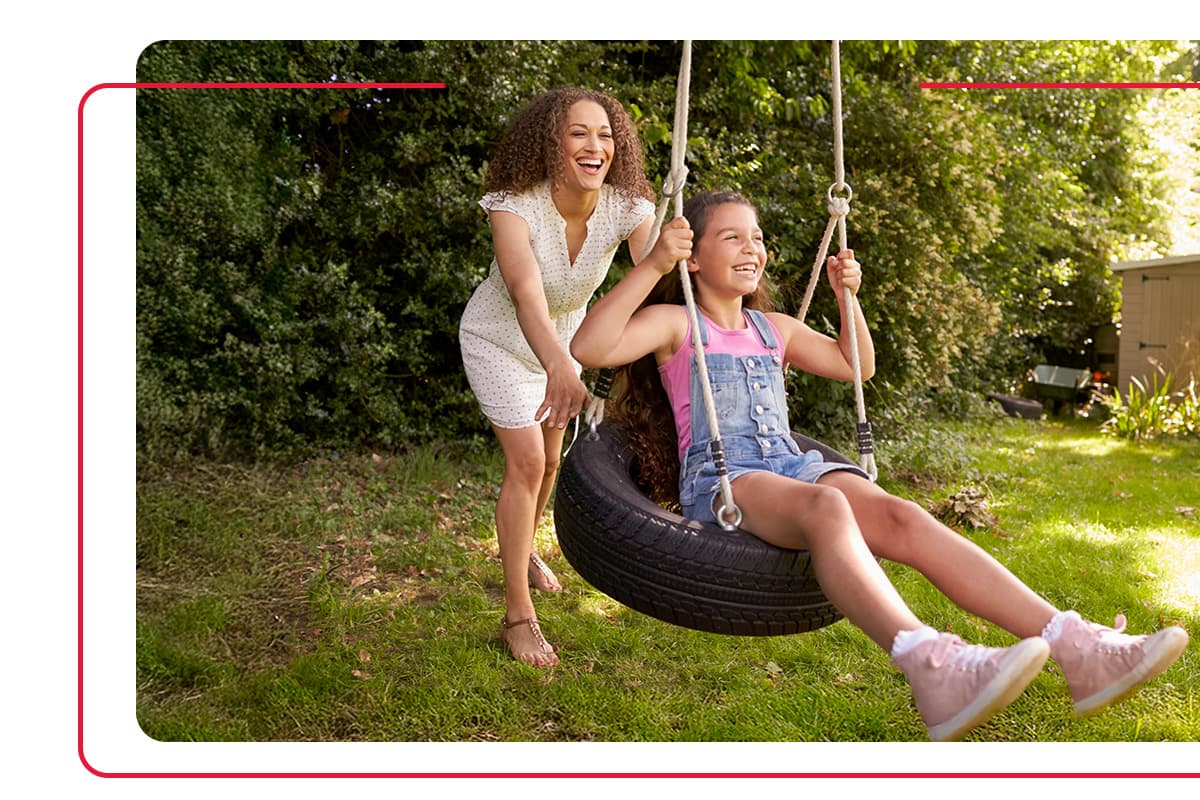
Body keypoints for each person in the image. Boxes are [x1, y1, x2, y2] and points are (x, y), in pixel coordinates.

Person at [570, 189, 1189, 740]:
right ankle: (931, 662)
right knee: (828, 504)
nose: (750, 247)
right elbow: (589, 346)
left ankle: (1078, 646)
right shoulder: (677, 323)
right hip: (727, 479)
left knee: (901, 515)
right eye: (730, 236)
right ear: (694, 256)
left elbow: (855, 364)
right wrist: (653, 263)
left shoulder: (774, 329)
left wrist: (848, 298)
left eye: (756, 237)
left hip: (786, 463)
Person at [459, 87, 680, 667]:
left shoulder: (627, 206)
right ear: (551, 141)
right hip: (501, 341)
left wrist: (685, 251)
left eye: (606, 135)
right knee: (528, 464)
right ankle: (517, 617)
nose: (595, 146)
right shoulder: (513, 205)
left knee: (553, 463)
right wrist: (558, 362)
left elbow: (657, 276)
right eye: (579, 132)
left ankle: (525, 549)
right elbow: (525, 293)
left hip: (567, 345)